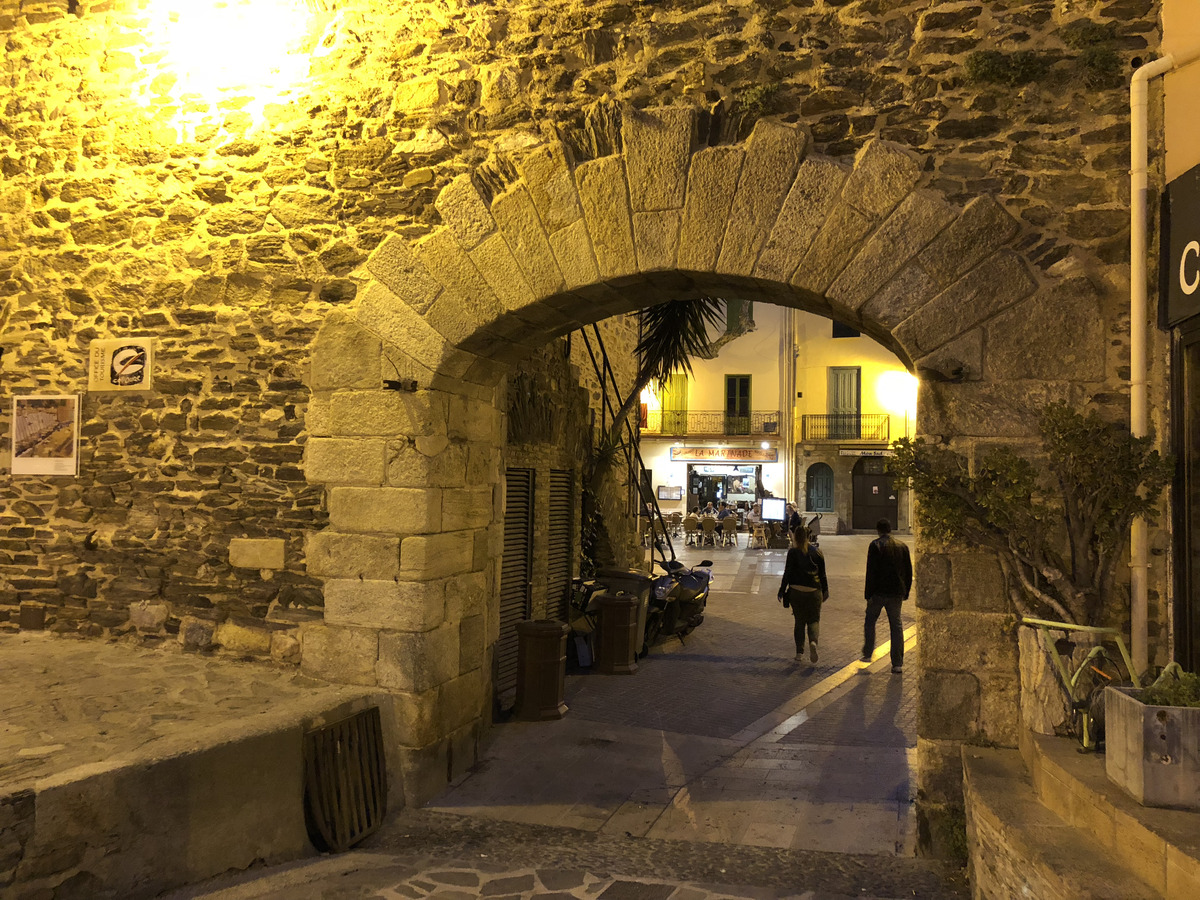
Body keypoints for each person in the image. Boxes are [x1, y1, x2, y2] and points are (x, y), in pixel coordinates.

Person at [863, 518, 913, 673]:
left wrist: (868, 593)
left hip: (878, 591)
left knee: (870, 621)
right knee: (896, 626)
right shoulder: (902, 546)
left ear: (878, 530)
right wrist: (906, 591)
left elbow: (871, 571)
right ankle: (897, 663)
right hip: (896, 592)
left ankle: (868, 652)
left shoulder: (875, 545)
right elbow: (908, 571)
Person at [778, 525, 829, 663]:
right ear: (808, 537)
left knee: (799, 622)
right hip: (813, 591)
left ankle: (799, 652)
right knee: (813, 620)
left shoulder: (793, 552)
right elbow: (822, 574)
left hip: (796, 591)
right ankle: (813, 642)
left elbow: (787, 573)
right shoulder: (817, 552)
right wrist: (825, 590)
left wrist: (782, 590)